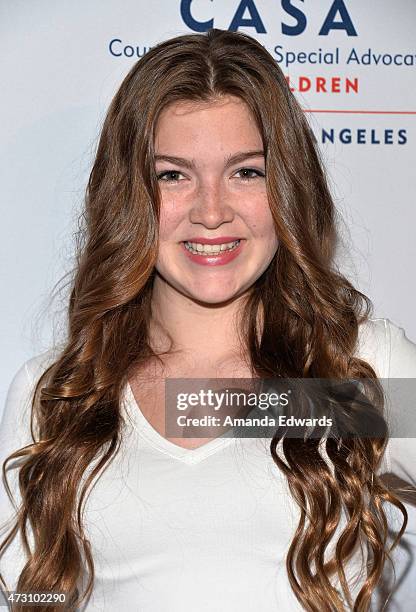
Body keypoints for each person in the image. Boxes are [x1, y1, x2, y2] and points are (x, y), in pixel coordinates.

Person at [1, 28, 416, 612]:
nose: (212, 211)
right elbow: (30, 596)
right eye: (174, 174)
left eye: (246, 172)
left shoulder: (355, 371)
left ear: (288, 190)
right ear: (130, 197)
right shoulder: (59, 394)